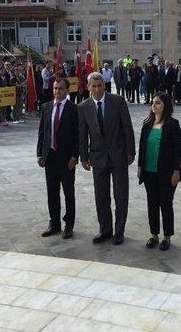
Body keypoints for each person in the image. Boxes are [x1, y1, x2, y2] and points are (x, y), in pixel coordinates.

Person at [78, 72, 135, 245]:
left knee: (120, 195)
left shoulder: (117, 101)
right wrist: (84, 157)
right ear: (88, 87)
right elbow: (82, 134)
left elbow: (127, 128)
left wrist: (130, 152)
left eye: (99, 85)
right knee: (101, 196)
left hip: (119, 156)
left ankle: (119, 231)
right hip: (97, 157)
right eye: (93, 86)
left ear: (104, 85)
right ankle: (105, 229)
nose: (96, 89)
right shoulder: (83, 107)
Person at [137, 93, 181, 251]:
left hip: (167, 172)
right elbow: (142, 147)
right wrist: (140, 166)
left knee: (166, 204)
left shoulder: (173, 125)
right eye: (152, 103)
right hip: (149, 171)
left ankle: (167, 236)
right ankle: (154, 234)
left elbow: (177, 151)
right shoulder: (147, 124)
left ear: (165, 105)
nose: (154, 106)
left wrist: (176, 171)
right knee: (152, 203)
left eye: (157, 103)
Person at [37, 77, 79, 239]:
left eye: (60, 88)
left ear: (67, 90)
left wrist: (75, 156)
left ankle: (69, 224)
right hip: (50, 157)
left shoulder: (73, 108)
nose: (57, 91)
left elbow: (78, 135)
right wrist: (40, 153)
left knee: (68, 192)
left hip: (66, 159)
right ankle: (54, 223)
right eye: (55, 88)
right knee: (52, 192)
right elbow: (42, 132)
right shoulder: (46, 107)